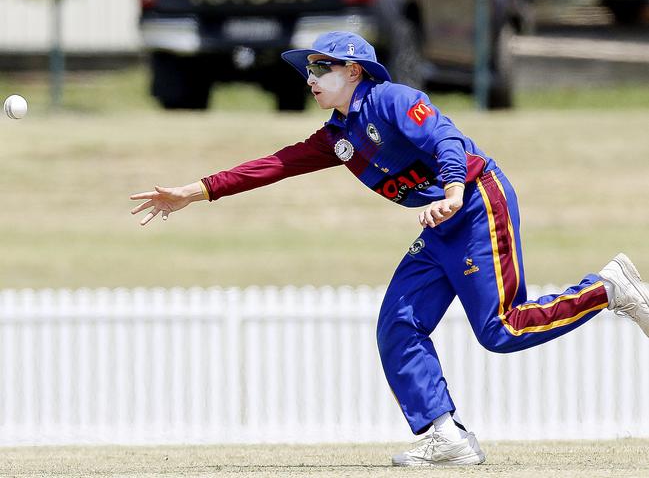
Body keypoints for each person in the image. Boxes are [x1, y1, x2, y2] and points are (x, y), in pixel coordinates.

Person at [130, 31, 649, 466]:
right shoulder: (339, 135)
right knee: (397, 324)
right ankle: (445, 435)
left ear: (354, 71)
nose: (309, 77)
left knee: (502, 330)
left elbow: (448, 139)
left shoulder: (392, 99)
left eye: (320, 66)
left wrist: (451, 191)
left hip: (473, 203)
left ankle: (607, 290)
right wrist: (194, 192)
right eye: (307, 68)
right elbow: (274, 165)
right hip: (441, 223)